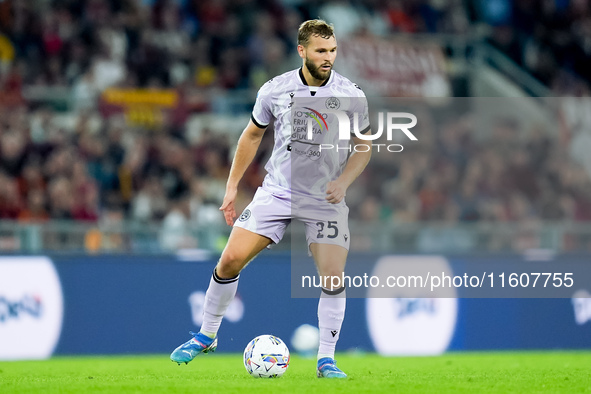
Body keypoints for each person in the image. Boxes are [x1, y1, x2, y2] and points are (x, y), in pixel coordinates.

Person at [170, 19, 372, 378]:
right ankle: (206, 335)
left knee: (333, 276)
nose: (329, 58)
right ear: (302, 51)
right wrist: (232, 187)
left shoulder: (351, 94)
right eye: (321, 51)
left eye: (333, 50)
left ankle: (326, 359)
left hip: (324, 197)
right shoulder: (275, 90)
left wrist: (344, 181)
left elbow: (364, 147)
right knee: (230, 260)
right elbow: (251, 136)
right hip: (277, 191)